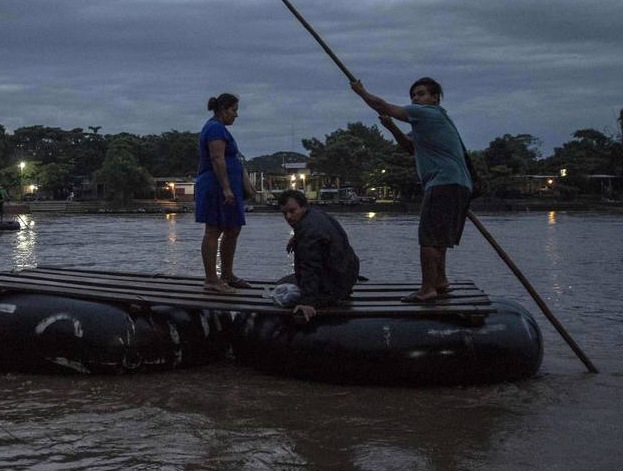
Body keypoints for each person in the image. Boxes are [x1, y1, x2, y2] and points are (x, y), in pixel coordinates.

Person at [351, 76, 471, 303]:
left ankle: (427, 289)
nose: (416, 99)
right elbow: (409, 149)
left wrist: (361, 92)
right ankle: (440, 281)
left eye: (421, 94)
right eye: (413, 95)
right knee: (440, 239)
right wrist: (392, 127)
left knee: (427, 239)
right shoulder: (429, 122)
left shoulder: (429, 113)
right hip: (458, 184)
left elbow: (382, 105)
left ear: (435, 99)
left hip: (443, 182)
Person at [194, 93, 257, 293]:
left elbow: (234, 160)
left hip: (228, 186)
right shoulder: (214, 128)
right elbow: (217, 159)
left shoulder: (221, 129)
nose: (236, 115)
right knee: (213, 230)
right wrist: (226, 188)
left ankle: (227, 274)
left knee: (233, 228)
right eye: (234, 110)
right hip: (216, 186)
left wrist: (246, 184)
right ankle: (211, 279)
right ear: (223, 110)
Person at [275, 189, 360, 322]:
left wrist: (307, 302)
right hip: (348, 275)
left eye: (292, 211)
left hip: (333, 284)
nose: (288, 217)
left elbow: (311, 267)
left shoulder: (309, 233)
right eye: (284, 213)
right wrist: (297, 237)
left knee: (281, 284)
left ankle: (330, 295)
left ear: (303, 207)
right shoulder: (317, 216)